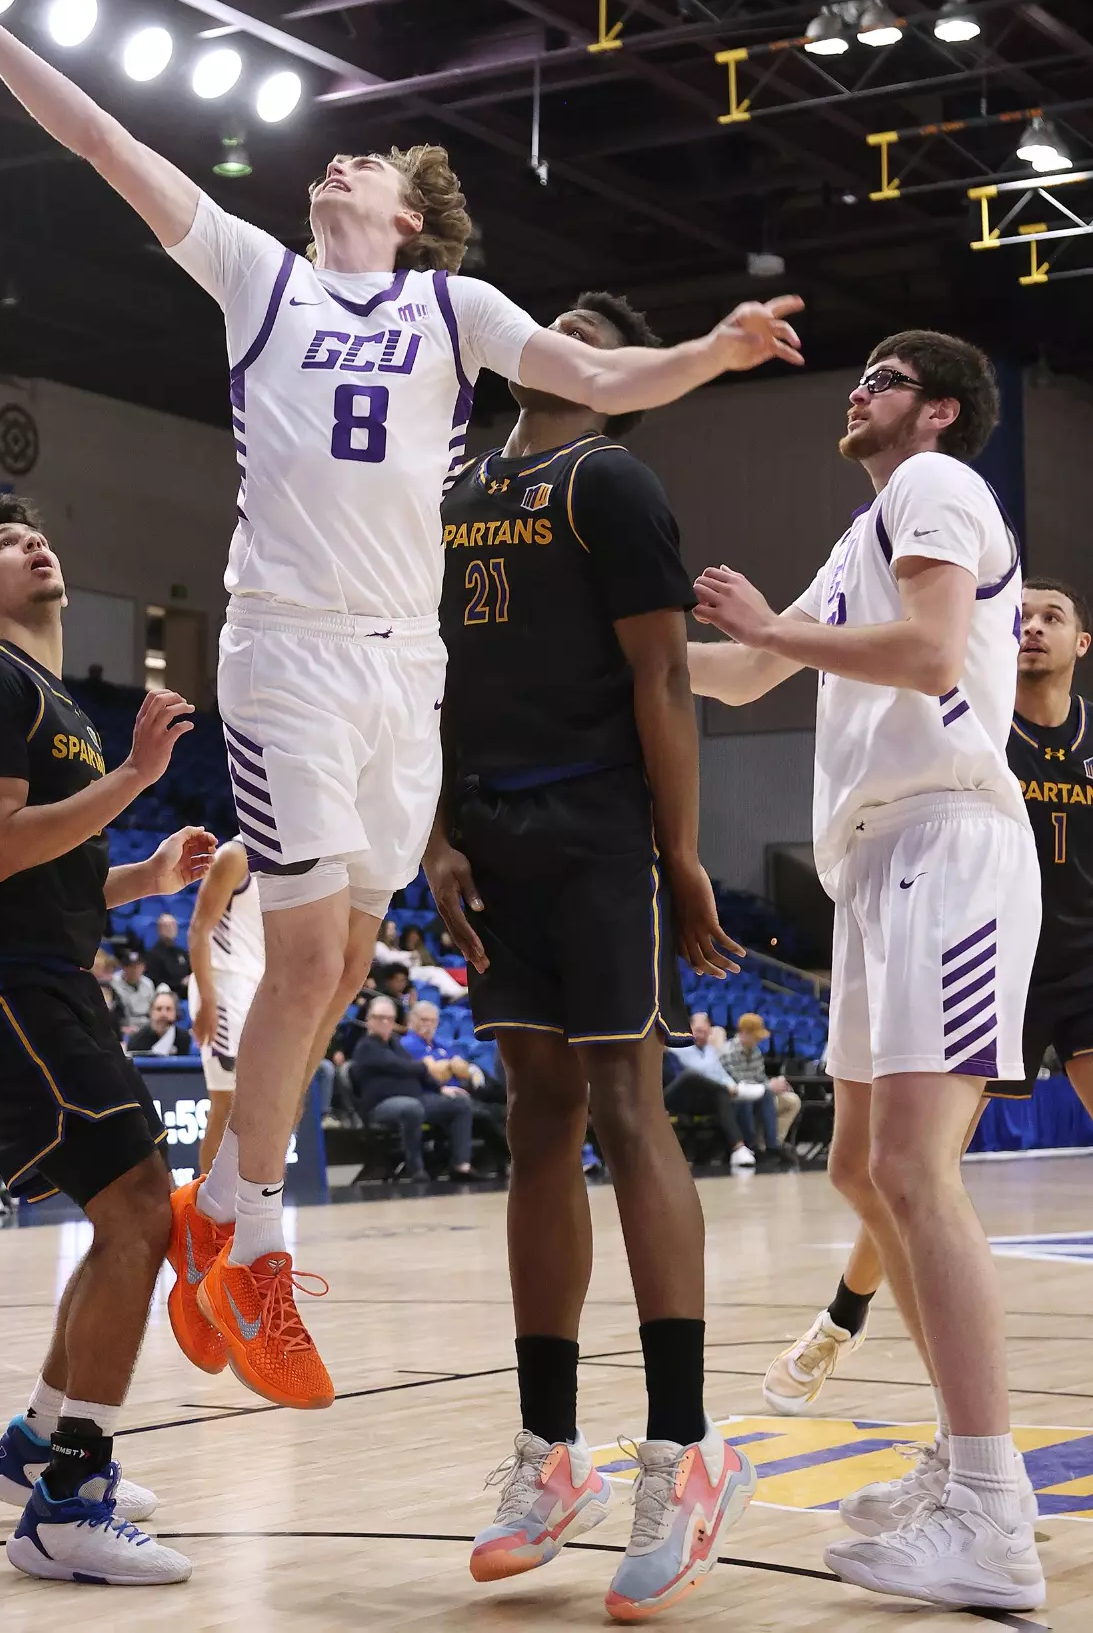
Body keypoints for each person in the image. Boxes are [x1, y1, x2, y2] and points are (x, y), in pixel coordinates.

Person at [0, 0, 801, 1415]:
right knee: (299, 966)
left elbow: (599, 383)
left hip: (406, 673)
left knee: (346, 965)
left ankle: (230, 1220)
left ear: (404, 219)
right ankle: (247, 1246)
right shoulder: (255, 275)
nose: (328, 164)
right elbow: (100, 140)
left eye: (359, 161)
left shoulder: (453, 312)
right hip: (284, 649)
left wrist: (712, 354)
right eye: (329, 157)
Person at [690, 332, 1043, 1611]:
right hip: (878, 861)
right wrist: (611, 658)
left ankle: (995, 1512)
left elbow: (936, 655)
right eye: (864, 375)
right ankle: (963, 1461)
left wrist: (770, 625)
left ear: (939, 410)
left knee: (909, 1164)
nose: (863, 388)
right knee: (855, 1163)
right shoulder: (863, 535)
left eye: (889, 379)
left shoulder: (937, 486)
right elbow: (741, 673)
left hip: (948, 841)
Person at [424, 290, 757, 1618]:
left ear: (620, 378)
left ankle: (681, 1450)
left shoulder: (610, 479)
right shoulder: (449, 494)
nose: (551, 339)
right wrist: (435, 833)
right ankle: (549, 1453)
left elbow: (663, 680)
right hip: (489, 829)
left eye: (587, 334)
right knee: (532, 1116)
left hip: (599, 822)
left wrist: (680, 855)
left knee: (626, 1105)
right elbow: (423, 676)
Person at [0, 490, 213, 1585]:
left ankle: (42, 1440)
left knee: (124, 1217)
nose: (34, 543)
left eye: (37, 534)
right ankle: (67, 1504)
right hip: (5, 983)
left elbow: (69, 881)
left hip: (49, 974)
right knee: (140, 1209)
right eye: (6, 542)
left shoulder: (68, 710)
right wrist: (136, 780)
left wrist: (147, 873)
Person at [764, 575, 1093, 1420]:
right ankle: (843, 1316)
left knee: (903, 1171)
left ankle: (850, 1326)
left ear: (1080, 646)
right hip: (989, 950)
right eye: (1018, 615)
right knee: (913, 1172)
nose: (1030, 627)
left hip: (1084, 966)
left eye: (1051, 617)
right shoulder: (978, 730)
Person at [181, 835, 265, 1179]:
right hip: (224, 988)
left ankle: (241, 1204)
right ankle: (211, 1216)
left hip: (255, 990)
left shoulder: (280, 863)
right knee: (226, 1107)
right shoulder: (234, 855)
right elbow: (199, 930)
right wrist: (208, 1001)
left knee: (253, 1105)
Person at [350, 994, 474, 1181]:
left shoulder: (394, 1044)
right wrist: (422, 1065)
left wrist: (440, 1088)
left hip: (415, 1098)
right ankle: (416, 1169)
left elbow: (419, 1070)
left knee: (460, 1103)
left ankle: (460, 1166)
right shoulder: (366, 1046)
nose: (385, 1022)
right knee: (411, 1108)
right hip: (380, 1106)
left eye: (389, 1018)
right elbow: (399, 1065)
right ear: (369, 1020)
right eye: (379, 1018)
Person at [664, 1014, 759, 1169]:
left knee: (722, 1096)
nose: (701, 1036)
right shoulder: (678, 1046)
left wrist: (731, 1086)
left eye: (705, 1032)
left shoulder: (710, 1051)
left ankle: (739, 1148)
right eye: (698, 1031)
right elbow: (699, 1070)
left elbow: (720, 1073)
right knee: (692, 1075)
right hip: (672, 1095)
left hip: (697, 1098)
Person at [720, 1012, 799, 1162]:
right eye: (755, 1036)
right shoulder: (728, 1052)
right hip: (736, 1097)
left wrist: (777, 1085)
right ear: (744, 1033)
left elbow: (759, 1078)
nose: (758, 1040)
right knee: (759, 1096)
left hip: (759, 1094)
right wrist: (769, 1086)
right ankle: (759, 1146)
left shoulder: (756, 1052)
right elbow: (739, 1083)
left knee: (792, 1100)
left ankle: (774, 1144)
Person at [127, 989, 189, 1056]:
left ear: (176, 1012)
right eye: (159, 1009)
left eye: (168, 1009)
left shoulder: (184, 1038)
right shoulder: (137, 1040)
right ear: (151, 1012)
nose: (163, 1014)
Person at [142, 911, 190, 999]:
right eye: (167, 926)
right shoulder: (153, 954)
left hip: (188, 995)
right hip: (166, 996)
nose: (171, 929)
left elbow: (191, 972)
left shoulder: (181, 952)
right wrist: (180, 983)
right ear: (159, 929)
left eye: (173, 925)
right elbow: (155, 981)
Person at [109, 950, 157, 1036]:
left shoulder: (148, 983)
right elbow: (112, 1012)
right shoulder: (113, 983)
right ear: (123, 967)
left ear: (144, 967)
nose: (134, 970)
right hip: (125, 1027)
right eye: (130, 966)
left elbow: (153, 1008)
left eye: (138, 966)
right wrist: (121, 1028)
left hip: (147, 1025)